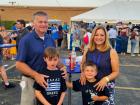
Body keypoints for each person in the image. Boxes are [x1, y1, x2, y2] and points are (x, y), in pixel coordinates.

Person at [16, 11, 66, 105]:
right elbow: (19, 64)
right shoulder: (26, 40)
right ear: (33, 23)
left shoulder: (50, 39)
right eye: (40, 22)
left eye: (45, 22)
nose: (43, 24)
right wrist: (36, 75)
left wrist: (62, 67)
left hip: (48, 81)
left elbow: (53, 58)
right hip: (30, 81)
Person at [81, 25, 120, 105]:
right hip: (90, 86)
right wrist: (82, 73)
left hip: (105, 87)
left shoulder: (112, 52)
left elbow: (116, 72)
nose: (99, 37)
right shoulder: (87, 49)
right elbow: (83, 64)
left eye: (102, 35)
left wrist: (105, 79)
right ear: (93, 36)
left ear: (106, 37)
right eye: (96, 34)